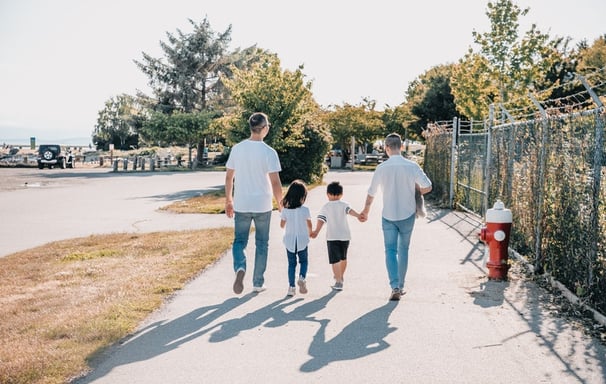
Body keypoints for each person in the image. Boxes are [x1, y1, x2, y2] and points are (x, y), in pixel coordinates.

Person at [359, 133, 432, 301]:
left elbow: (371, 193)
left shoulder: (381, 168)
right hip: (408, 214)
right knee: (403, 250)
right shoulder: (412, 166)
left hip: (388, 215)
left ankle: (394, 286)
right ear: (401, 147)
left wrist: (365, 211)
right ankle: (402, 285)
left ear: (386, 148)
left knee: (390, 250)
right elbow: (428, 186)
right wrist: (416, 190)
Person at [224, 112, 283, 294]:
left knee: (239, 241)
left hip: (242, 203)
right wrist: (281, 205)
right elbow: (275, 183)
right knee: (262, 243)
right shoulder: (269, 152)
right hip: (262, 205)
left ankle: (240, 268)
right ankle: (258, 282)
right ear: (264, 128)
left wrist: (228, 200)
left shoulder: (237, 149)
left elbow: (229, 177)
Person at [311, 181, 362, 291]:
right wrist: (359, 216)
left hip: (332, 237)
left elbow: (321, 220)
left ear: (327, 194)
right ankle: (340, 276)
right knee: (343, 258)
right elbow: (350, 211)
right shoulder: (344, 205)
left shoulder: (326, 207)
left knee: (335, 260)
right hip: (345, 236)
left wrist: (316, 232)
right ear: (341, 194)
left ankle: (338, 281)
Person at [280, 180, 313, 296]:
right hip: (302, 240)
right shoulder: (305, 210)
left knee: (291, 264)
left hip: (289, 240)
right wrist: (311, 232)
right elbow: (309, 224)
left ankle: (291, 287)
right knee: (304, 261)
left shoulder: (285, 210)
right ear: (302, 197)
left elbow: (281, 225)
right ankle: (302, 277)